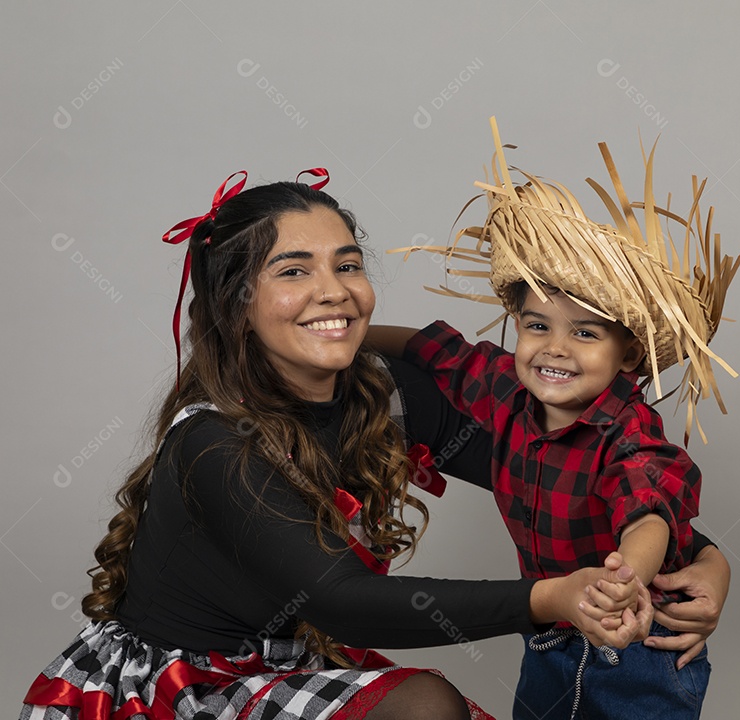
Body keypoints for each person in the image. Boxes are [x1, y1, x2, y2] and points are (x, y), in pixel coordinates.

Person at [20, 170, 658, 720]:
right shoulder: (214, 443)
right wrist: (550, 599)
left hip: (299, 663)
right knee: (425, 705)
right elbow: (342, 602)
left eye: (347, 264)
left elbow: (564, 477)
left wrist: (702, 563)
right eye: (295, 271)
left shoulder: (384, 393)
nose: (334, 290)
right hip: (189, 688)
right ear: (237, 305)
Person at [367, 118, 740, 719]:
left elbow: (649, 511)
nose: (554, 348)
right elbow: (431, 348)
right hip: (548, 629)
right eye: (537, 326)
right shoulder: (506, 392)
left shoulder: (627, 430)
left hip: (637, 642)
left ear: (628, 354)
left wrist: (626, 577)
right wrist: (355, 337)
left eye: (585, 333)